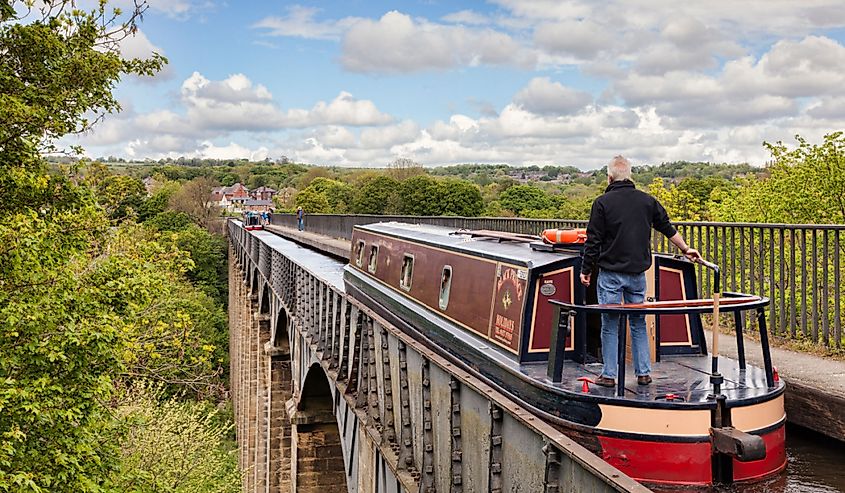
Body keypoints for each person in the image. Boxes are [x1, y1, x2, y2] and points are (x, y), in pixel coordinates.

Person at [580, 156, 701, 387]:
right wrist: (686, 249)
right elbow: (667, 227)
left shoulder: (602, 203)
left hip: (610, 275)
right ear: (630, 175)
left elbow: (593, 241)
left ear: (609, 177)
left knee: (610, 324)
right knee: (638, 322)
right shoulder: (647, 201)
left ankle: (608, 375)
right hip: (637, 274)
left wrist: (586, 270)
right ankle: (643, 373)